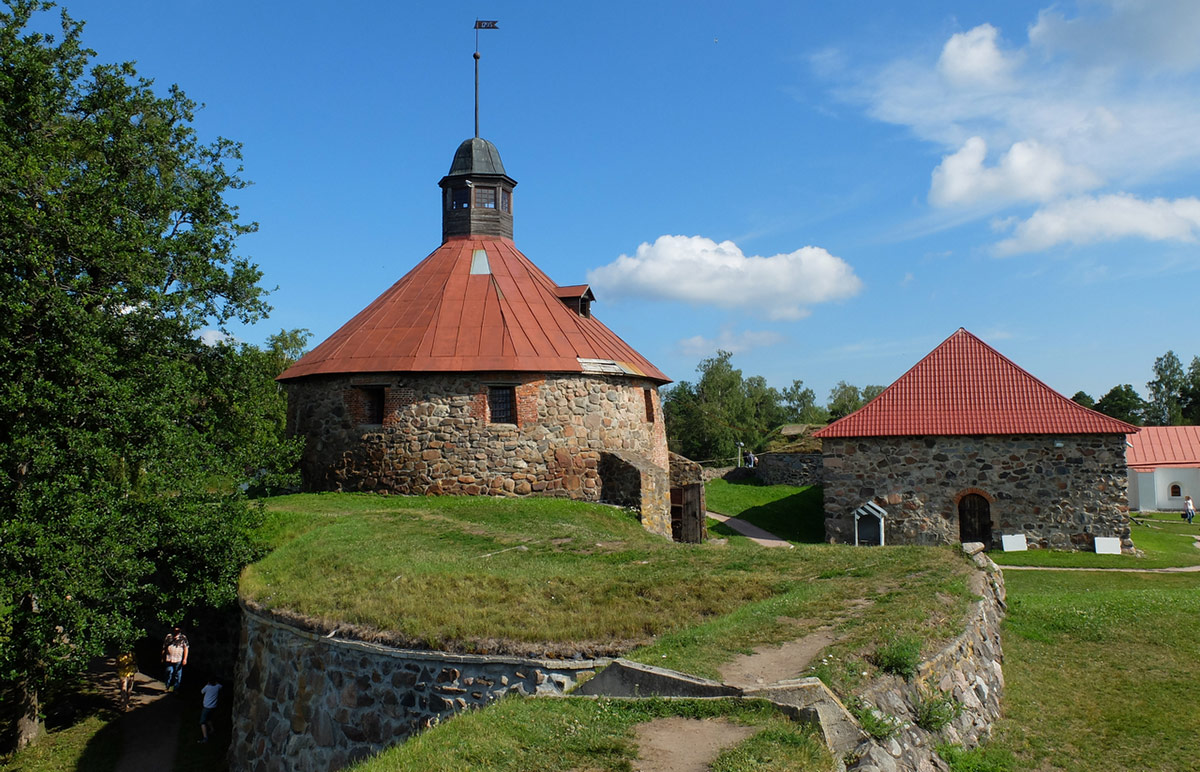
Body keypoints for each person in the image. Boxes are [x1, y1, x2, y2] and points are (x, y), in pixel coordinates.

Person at [162, 626, 189, 692]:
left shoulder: (183, 638)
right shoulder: (169, 636)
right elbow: (164, 647)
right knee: (168, 672)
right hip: (169, 659)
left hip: (178, 659)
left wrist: (185, 659)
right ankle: (167, 686)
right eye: (175, 630)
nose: (176, 632)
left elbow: (186, 648)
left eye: (178, 630)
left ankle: (175, 689)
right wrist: (163, 657)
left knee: (177, 675)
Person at [198, 677, 222, 743]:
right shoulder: (217, 687)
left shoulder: (207, 687)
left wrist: (207, 685)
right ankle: (212, 730)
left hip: (206, 707)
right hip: (213, 707)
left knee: (202, 722)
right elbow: (221, 686)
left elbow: (202, 691)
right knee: (209, 718)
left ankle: (205, 738)